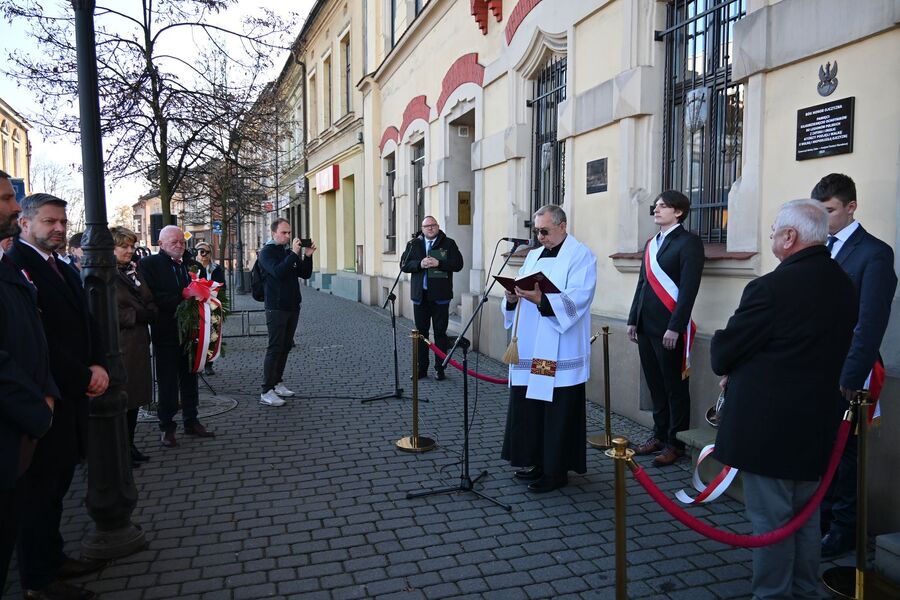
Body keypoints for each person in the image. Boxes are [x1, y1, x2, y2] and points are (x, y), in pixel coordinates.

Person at [711, 199, 856, 600]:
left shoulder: (770, 287)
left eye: (775, 230)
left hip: (769, 430)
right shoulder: (843, 282)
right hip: (817, 423)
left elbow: (724, 352)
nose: (772, 235)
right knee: (805, 518)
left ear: (790, 237)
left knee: (773, 522)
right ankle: (807, 590)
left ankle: (772, 594)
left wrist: (733, 358)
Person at [8, 193, 109, 599]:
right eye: (50, 221)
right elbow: (40, 339)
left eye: (63, 222)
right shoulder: (17, 266)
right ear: (25, 223)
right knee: (40, 492)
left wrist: (99, 361)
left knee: (57, 485)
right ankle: (38, 578)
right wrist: (83, 373)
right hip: (49, 396)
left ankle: (53, 557)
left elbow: (84, 321)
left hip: (74, 390)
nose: (59, 229)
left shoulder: (61, 266)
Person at [812, 174, 898, 559]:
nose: (823, 218)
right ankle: (823, 519)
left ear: (851, 207)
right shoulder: (819, 248)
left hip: (851, 373)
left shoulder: (874, 253)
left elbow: (871, 321)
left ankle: (843, 529)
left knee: (847, 455)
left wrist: (851, 374)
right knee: (824, 447)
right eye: (819, 210)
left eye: (828, 211)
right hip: (817, 367)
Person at [500, 204, 597, 493]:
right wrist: (512, 297)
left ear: (562, 225)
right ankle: (536, 462)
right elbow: (523, 294)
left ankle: (556, 471)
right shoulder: (532, 256)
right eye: (537, 231)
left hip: (559, 347)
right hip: (531, 347)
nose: (540, 237)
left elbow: (579, 298)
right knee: (531, 408)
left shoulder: (581, 256)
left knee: (557, 410)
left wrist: (542, 300)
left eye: (545, 231)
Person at [0, 172, 56, 594]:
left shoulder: (6, 267)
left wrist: (49, 388)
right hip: (15, 422)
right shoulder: (16, 262)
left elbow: (37, 336)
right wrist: (38, 409)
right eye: (5, 200)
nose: (14, 207)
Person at [627, 190, 704, 466]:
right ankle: (659, 434)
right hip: (647, 327)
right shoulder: (651, 243)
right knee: (655, 385)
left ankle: (676, 442)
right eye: (656, 206)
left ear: (679, 212)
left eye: (663, 206)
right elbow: (642, 284)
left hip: (670, 329)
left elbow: (688, 290)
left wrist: (676, 326)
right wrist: (633, 319)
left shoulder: (689, 243)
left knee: (675, 387)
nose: (656, 210)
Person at [138, 225, 215, 446]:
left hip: (190, 332)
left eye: (182, 241)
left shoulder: (189, 264)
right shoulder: (149, 264)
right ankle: (167, 427)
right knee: (168, 382)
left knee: (190, 378)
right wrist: (184, 298)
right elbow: (151, 296)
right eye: (174, 242)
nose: (180, 245)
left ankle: (191, 420)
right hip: (166, 333)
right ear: (160, 244)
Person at [111, 226, 158, 468]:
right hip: (122, 347)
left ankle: (130, 444)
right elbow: (112, 313)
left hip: (138, 343)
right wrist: (138, 314)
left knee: (134, 402)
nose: (130, 251)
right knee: (123, 401)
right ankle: (121, 451)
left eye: (132, 246)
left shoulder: (132, 272)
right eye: (124, 246)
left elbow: (149, 300)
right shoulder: (106, 275)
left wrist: (145, 312)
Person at [258, 219, 316, 407]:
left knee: (285, 346)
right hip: (276, 307)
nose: (288, 236)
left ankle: (277, 382)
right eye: (284, 233)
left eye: (289, 232)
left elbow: (304, 273)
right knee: (275, 347)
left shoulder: (287, 252)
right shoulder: (266, 253)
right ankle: (266, 390)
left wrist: (308, 256)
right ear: (274, 233)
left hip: (292, 306)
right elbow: (278, 272)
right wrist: (293, 253)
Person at [401, 216, 464, 380]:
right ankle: (421, 370)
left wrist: (439, 264)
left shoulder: (448, 243)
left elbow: (458, 264)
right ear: (422, 229)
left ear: (438, 226)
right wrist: (419, 264)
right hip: (420, 297)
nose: (430, 228)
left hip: (440, 297)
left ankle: (440, 368)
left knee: (440, 333)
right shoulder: (413, 244)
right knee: (421, 334)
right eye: (426, 226)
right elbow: (403, 265)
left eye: (433, 225)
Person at [194, 241, 225, 375]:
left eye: (206, 251)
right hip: (198, 306)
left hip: (212, 304)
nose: (203, 254)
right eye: (200, 251)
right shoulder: (193, 268)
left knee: (212, 334)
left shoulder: (216, 268)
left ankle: (209, 363)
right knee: (198, 335)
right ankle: (197, 361)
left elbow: (222, 286)